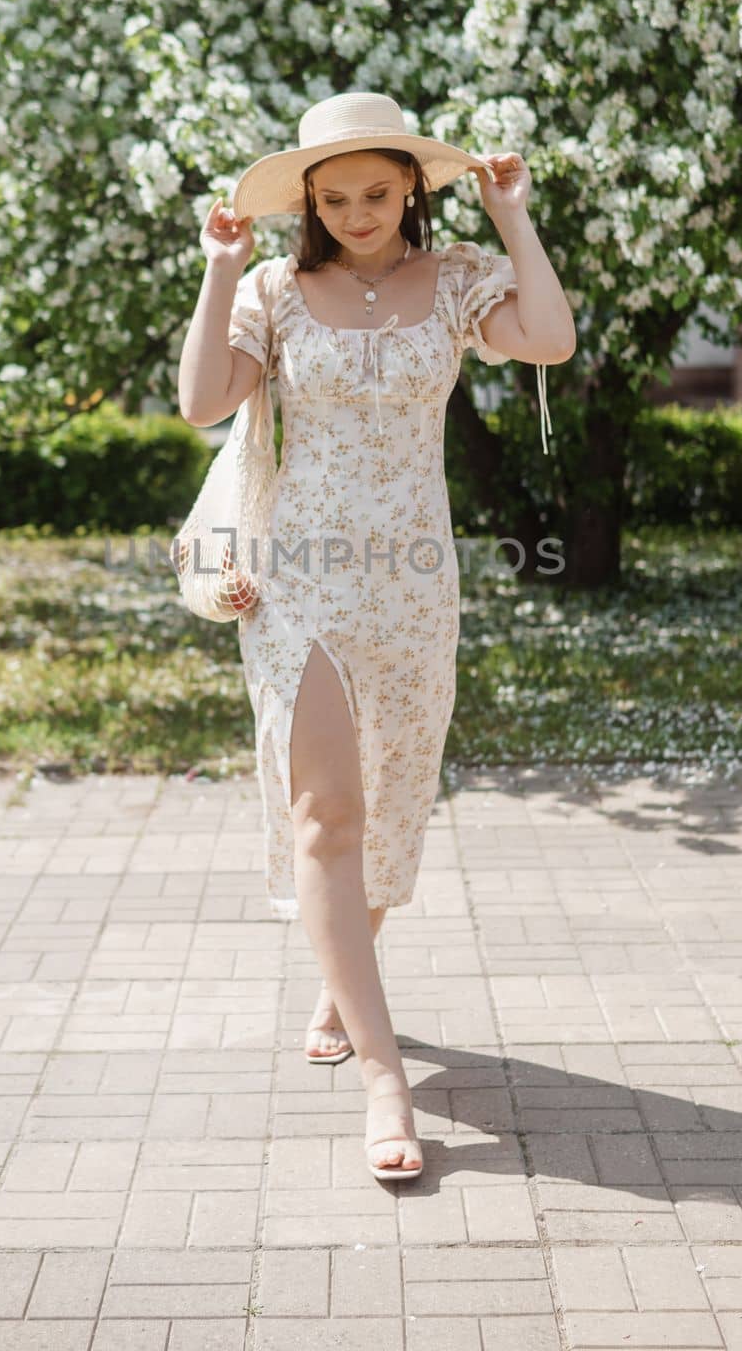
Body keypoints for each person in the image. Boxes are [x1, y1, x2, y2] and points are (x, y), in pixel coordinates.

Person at [177, 92, 575, 1180]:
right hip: (297, 583)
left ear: (410, 186)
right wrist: (220, 270)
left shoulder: (451, 284)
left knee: (391, 800)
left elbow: (547, 335)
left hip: (410, 583)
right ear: (308, 200)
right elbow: (202, 400)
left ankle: (338, 976)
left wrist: (511, 216)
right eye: (335, 195)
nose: (357, 212)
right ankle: (385, 1078)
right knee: (327, 816)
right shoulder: (274, 289)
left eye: (378, 191)